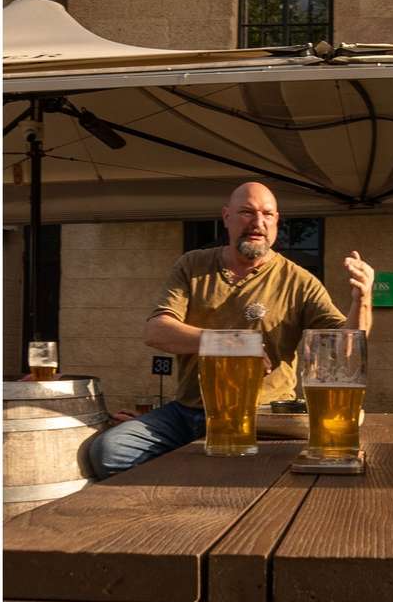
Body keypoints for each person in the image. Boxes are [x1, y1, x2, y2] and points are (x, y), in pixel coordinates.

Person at [87, 181, 374, 478]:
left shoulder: (299, 281)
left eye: (267, 214)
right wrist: (232, 344)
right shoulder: (193, 265)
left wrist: (362, 299)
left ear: (277, 221)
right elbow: (156, 332)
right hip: (187, 412)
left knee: (249, 475)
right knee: (110, 451)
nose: (258, 223)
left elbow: (347, 345)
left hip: (263, 420)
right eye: (247, 212)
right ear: (226, 217)